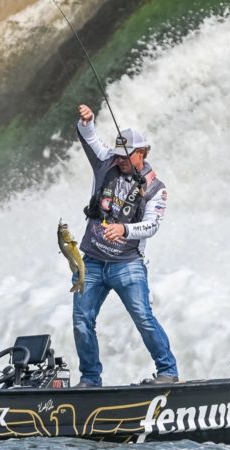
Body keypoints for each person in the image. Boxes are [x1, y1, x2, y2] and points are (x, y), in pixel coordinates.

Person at [71, 104, 179, 387]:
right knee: (82, 321)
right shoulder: (105, 162)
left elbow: (153, 225)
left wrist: (125, 229)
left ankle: (168, 371)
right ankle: (90, 379)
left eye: (125, 156)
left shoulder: (157, 188)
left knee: (143, 318)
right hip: (91, 261)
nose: (119, 160)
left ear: (140, 153)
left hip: (127, 264)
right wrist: (87, 122)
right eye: (117, 155)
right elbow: (90, 139)